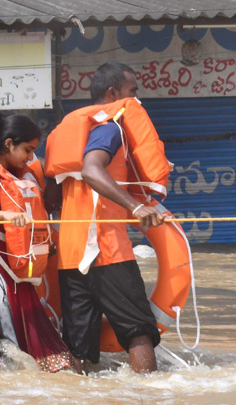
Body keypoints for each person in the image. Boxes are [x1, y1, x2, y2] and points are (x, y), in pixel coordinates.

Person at [55, 62, 164, 373]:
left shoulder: (69, 132)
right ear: (113, 93)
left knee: (79, 347)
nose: (137, 100)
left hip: (70, 256)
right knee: (139, 332)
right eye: (133, 93)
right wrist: (136, 206)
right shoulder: (110, 127)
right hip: (106, 250)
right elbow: (92, 170)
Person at [0, 114, 79, 373]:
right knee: (8, 327)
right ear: (8, 144)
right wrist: (7, 216)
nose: (31, 158)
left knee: (30, 323)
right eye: (27, 150)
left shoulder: (19, 174)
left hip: (20, 263)